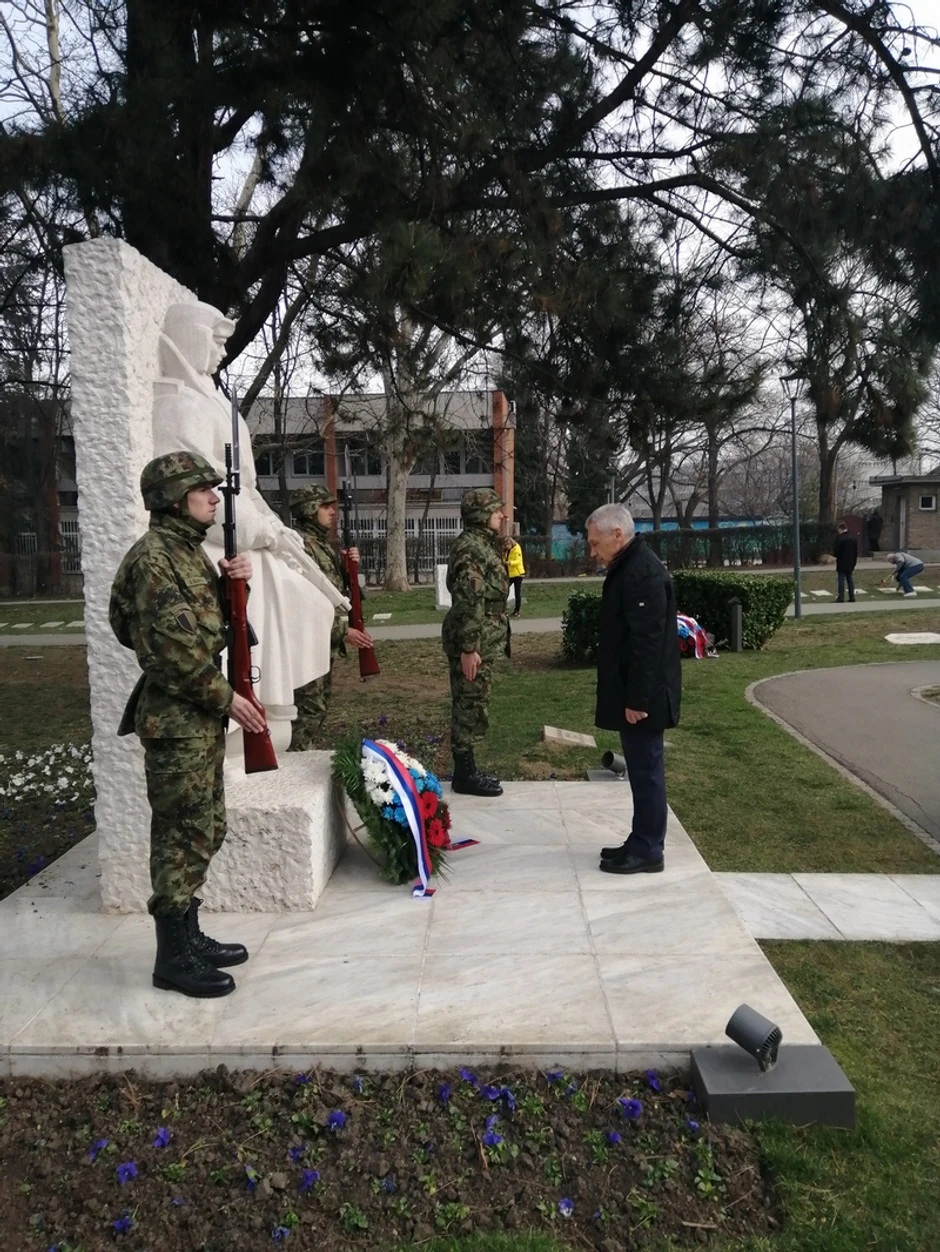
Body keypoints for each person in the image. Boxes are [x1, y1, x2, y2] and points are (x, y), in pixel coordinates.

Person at [151, 301, 346, 746]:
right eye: (216, 342)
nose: (222, 353)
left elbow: (248, 490)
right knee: (287, 598)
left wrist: (278, 530)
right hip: (218, 547)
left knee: (310, 601)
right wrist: (261, 531)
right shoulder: (178, 407)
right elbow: (202, 495)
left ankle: (273, 703)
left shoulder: (217, 403)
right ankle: (249, 716)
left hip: (248, 538)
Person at [109, 452, 268, 998]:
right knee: (181, 835)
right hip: (179, 720)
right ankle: (171, 958)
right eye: (204, 489)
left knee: (206, 828)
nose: (214, 497)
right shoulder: (155, 561)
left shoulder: (188, 554)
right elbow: (167, 652)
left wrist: (236, 588)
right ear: (174, 497)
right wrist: (228, 699)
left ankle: (189, 934)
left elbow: (210, 632)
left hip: (194, 719)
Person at [586, 502, 681, 875]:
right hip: (636, 694)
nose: (593, 551)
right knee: (641, 772)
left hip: (644, 697)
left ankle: (648, 849)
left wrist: (637, 700)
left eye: (596, 543)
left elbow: (647, 643)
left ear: (617, 535)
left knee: (646, 772)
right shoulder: (629, 565)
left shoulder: (641, 572)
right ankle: (641, 838)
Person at [288, 485, 374, 749]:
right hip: (307, 643)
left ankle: (303, 752)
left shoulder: (321, 545)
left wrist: (349, 568)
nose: (332, 512)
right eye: (324, 506)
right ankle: (294, 761)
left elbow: (335, 592)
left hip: (321, 643)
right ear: (309, 510)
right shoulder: (300, 546)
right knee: (309, 709)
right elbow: (301, 602)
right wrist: (341, 631)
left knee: (318, 706)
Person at [442, 488, 509, 797]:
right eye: (497, 511)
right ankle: (464, 774)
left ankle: (467, 769)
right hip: (473, 643)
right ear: (482, 515)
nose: (503, 516)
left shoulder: (481, 546)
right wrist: (469, 649)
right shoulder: (471, 549)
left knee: (475, 702)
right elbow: (470, 601)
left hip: (482, 640)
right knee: (469, 705)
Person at [833, 522, 857, 602]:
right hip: (851, 562)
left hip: (841, 562)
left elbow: (836, 552)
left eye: (838, 530)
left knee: (841, 579)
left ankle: (841, 597)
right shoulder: (853, 537)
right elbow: (855, 552)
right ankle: (852, 596)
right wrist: (854, 562)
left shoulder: (840, 538)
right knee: (850, 579)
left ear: (840, 529)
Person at [502, 534, 526, 617]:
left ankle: (517, 611)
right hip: (509, 574)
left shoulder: (517, 549)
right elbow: (504, 558)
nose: (507, 546)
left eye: (508, 544)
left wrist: (510, 563)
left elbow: (518, 561)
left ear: (511, 543)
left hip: (517, 574)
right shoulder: (506, 551)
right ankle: (504, 610)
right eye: (505, 545)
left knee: (517, 592)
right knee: (505, 591)